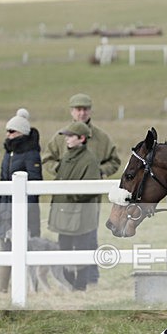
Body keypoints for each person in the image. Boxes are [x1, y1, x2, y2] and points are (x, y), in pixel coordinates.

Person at [43, 93, 121, 286]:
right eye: (78, 109)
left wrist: (97, 174)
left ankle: (90, 278)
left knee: (89, 237)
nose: (81, 112)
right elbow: (47, 159)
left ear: (90, 111)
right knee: (65, 238)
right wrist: (62, 171)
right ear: (71, 111)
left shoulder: (102, 138)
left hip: (89, 199)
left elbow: (114, 161)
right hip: (66, 198)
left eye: (85, 109)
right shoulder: (60, 138)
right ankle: (67, 277)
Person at [0, 108, 43, 293]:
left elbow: (35, 185)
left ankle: (32, 289)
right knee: (5, 249)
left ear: (22, 133)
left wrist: (25, 212)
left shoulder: (31, 154)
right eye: (7, 131)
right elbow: (2, 182)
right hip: (5, 209)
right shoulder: (8, 153)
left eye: (12, 131)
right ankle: (2, 289)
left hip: (23, 211)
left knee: (27, 249)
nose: (8, 135)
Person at [47, 121, 101, 291]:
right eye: (67, 136)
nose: (67, 140)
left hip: (80, 216)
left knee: (81, 250)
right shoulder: (67, 157)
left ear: (82, 138)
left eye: (70, 136)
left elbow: (91, 188)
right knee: (64, 247)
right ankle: (68, 282)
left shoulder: (89, 160)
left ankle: (80, 286)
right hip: (65, 213)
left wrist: (70, 195)